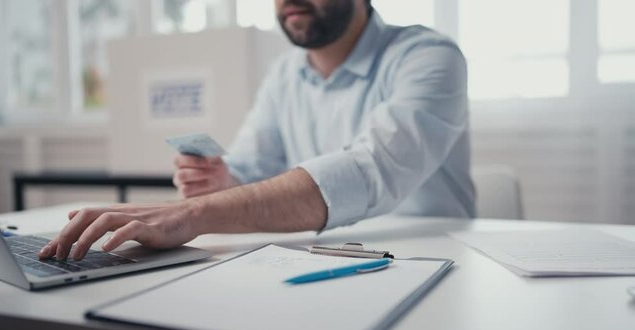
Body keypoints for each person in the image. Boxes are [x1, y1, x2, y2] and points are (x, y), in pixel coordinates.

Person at [39, 0, 475, 261]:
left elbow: (371, 169)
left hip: (436, 259)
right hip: (319, 259)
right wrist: (223, 181)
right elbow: (251, 166)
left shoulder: (429, 56)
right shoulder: (284, 74)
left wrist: (191, 214)